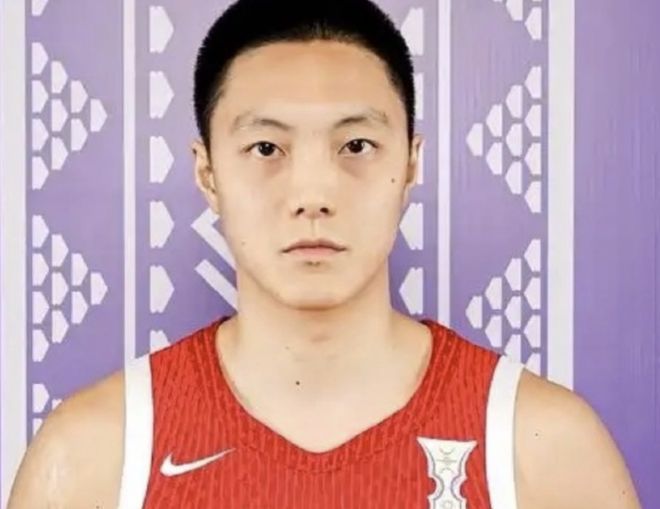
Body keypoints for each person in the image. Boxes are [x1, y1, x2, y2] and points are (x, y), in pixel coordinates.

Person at [9, 0, 641, 507]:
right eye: (266, 149)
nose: (312, 195)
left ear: (410, 164)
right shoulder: (92, 458)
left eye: (356, 146)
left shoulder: (545, 450)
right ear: (207, 174)